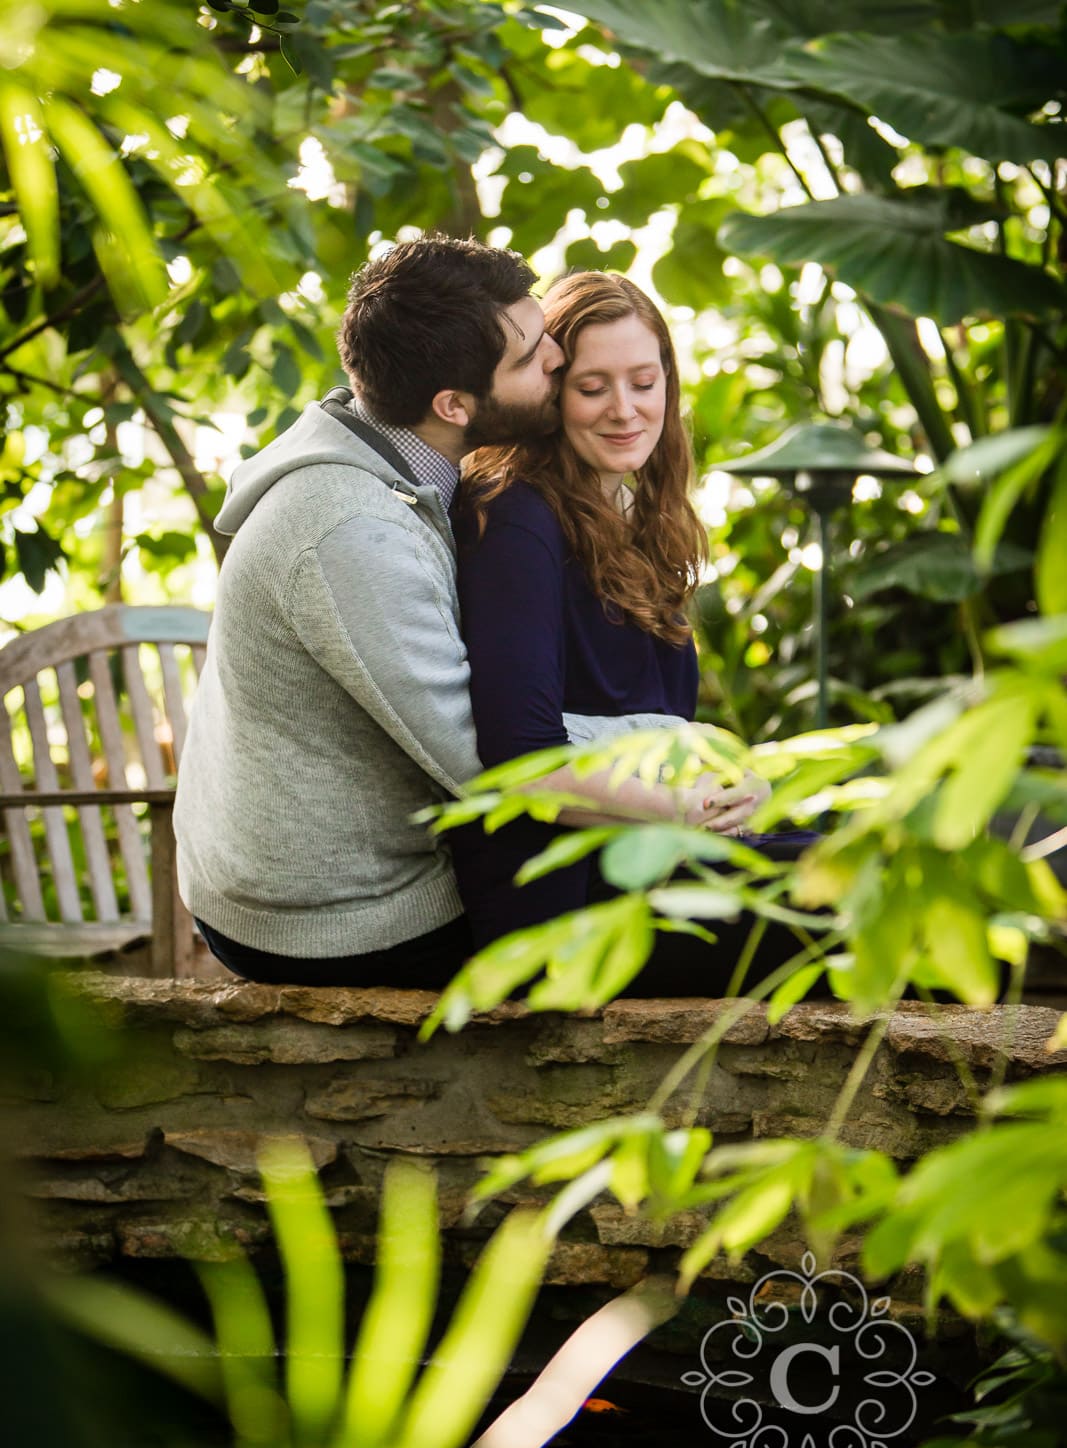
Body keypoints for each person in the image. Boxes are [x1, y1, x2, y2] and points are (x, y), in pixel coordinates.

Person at [174, 238, 725, 990]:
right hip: (338, 917)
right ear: (454, 404)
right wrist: (670, 744)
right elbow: (493, 758)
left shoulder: (395, 473)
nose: (557, 364)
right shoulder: (351, 529)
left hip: (359, 865)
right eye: (534, 358)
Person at [452, 271, 811, 995]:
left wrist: (734, 786)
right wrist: (696, 808)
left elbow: (663, 731)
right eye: (593, 388)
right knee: (871, 893)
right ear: (551, 393)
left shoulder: (637, 520)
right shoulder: (517, 517)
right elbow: (521, 765)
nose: (624, 410)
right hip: (572, 897)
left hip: (653, 854)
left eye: (644, 382)